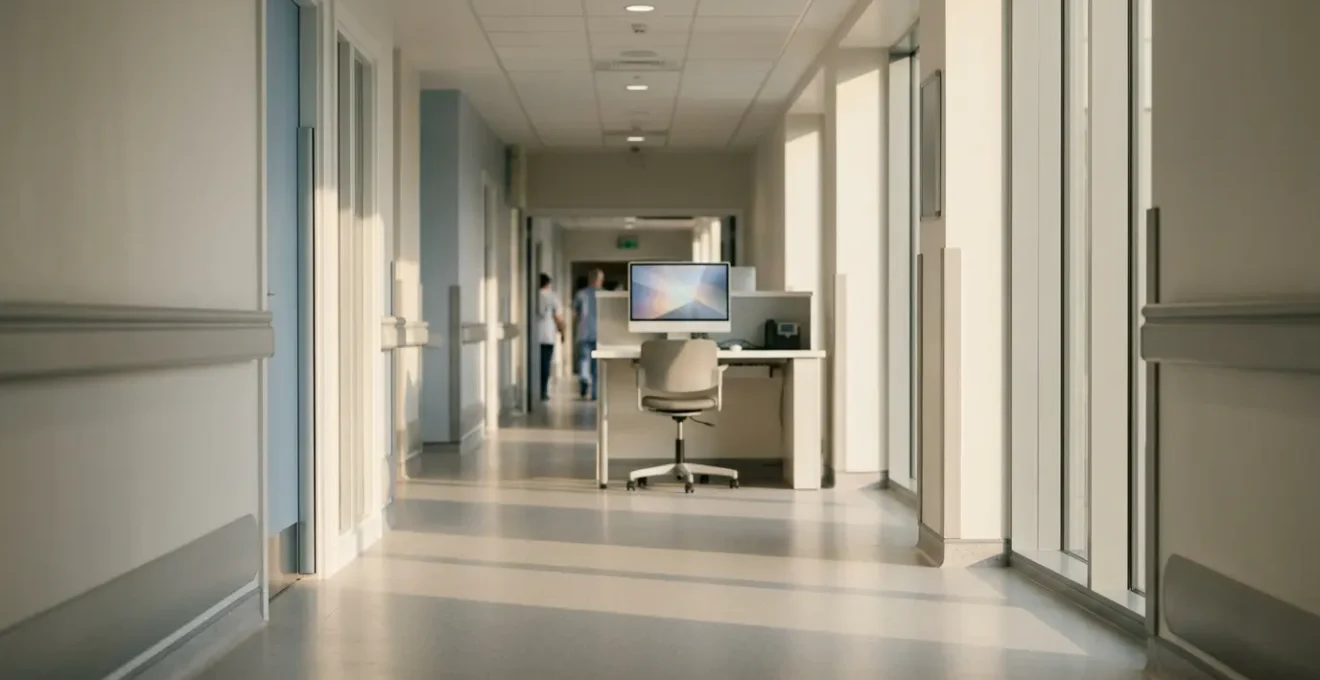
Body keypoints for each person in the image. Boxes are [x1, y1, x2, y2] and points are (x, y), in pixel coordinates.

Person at [573, 268, 604, 400]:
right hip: (600, 334)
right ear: (600, 279)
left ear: (589, 279)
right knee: (597, 366)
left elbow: (575, 314)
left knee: (584, 360)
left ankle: (584, 379)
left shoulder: (580, 294)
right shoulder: (604, 295)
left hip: (584, 332)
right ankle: (595, 393)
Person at [535, 273, 564, 402]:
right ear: (548, 284)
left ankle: (534, 390)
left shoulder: (531, 295)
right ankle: (542, 391)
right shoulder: (553, 296)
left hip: (533, 336)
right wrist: (562, 331)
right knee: (545, 364)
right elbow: (558, 317)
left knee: (534, 364)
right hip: (547, 336)